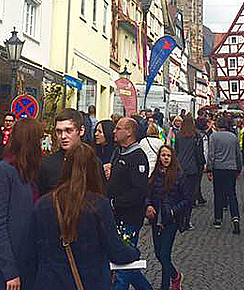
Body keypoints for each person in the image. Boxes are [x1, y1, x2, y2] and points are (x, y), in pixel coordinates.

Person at [22, 144, 139, 290]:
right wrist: (134, 252)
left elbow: (30, 254)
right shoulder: (98, 205)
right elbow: (116, 250)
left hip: (51, 281)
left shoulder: (42, 205)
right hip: (90, 281)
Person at [0, 117, 43, 290]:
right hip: (3, 270)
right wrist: (10, 271)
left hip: (24, 260)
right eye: (39, 139)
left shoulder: (28, 171)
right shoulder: (4, 172)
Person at [107, 117, 152, 290]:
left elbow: (138, 192)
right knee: (128, 266)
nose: (114, 131)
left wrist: (114, 203)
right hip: (117, 217)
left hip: (129, 219)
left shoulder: (138, 157)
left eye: (118, 128)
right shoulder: (120, 152)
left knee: (123, 266)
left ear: (129, 132)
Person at [146, 146, 190, 290]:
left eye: (168, 156)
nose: (165, 158)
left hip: (171, 221)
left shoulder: (179, 175)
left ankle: (165, 286)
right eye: (163, 155)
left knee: (165, 254)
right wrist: (148, 206)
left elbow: (187, 199)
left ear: (172, 158)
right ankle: (175, 275)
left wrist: (173, 211)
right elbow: (148, 194)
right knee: (158, 254)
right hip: (156, 219)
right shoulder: (155, 174)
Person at [38, 109, 87, 196]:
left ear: (81, 131)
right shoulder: (47, 164)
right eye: (59, 131)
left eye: (69, 130)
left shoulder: (92, 162)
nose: (63, 136)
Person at [207, 114, 241, 233]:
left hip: (218, 168)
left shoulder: (213, 137)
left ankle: (218, 219)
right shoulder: (233, 137)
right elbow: (238, 154)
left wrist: (209, 169)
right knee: (232, 194)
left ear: (217, 125)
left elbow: (211, 154)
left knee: (218, 193)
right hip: (231, 168)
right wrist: (239, 169)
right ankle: (235, 219)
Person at [173, 114, 204, 228]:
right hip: (192, 169)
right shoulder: (196, 136)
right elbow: (199, 154)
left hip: (180, 168)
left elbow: (176, 151)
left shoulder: (178, 135)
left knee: (179, 195)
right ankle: (186, 221)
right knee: (189, 196)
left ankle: (179, 218)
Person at [94, 119, 116, 191]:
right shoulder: (95, 149)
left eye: (100, 132)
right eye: (96, 131)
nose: (96, 134)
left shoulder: (116, 151)